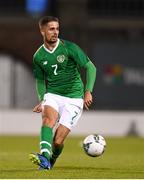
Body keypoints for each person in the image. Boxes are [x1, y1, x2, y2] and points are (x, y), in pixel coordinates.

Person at [29, 16, 96, 170]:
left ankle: (51, 159)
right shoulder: (38, 56)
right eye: (51, 29)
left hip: (74, 98)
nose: (55, 32)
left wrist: (88, 92)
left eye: (57, 28)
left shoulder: (69, 48)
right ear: (42, 31)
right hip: (52, 94)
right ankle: (44, 157)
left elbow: (91, 67)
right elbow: (40, 81)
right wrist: (42, 99)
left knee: (58, 141)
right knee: (47, 120)